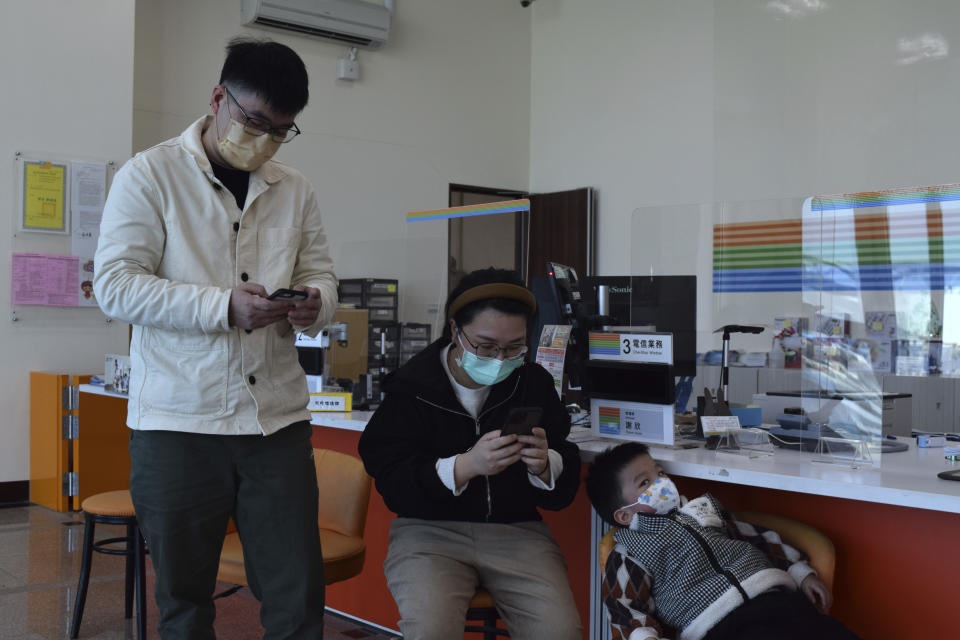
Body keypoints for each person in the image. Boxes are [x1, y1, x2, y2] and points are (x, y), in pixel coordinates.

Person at [93, 37, 337, 639]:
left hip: (274, 422)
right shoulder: (149, 175)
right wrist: (222, 306)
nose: (264, 138)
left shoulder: (295, 187)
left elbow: (321, 273)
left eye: (281, 130)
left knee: (296, 595)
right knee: (183, 600)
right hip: (178, 423)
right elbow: (117, 286)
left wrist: (315, 304)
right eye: (254, 120)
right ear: (218, 98)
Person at [358, 268, 583, 640]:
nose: (499, 358)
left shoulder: (532, 382)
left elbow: (565, 464)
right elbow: (390, 477)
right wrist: (464, 467)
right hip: (428, 533)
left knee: (560, 632)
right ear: (454, 331)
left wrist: (546, 465)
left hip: (518, 533)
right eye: (485, 345)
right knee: (431, 631)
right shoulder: (412, 387)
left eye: (514, 347)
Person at [585, 442, 861, 640]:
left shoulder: (701, 511)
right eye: (645, 483)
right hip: (719, 623)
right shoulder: (631, 550)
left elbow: (759, 538)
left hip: (776, 599)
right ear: (623, 515)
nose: (661, 483)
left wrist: (800, 572)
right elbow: (623, 604)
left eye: (660, 473)